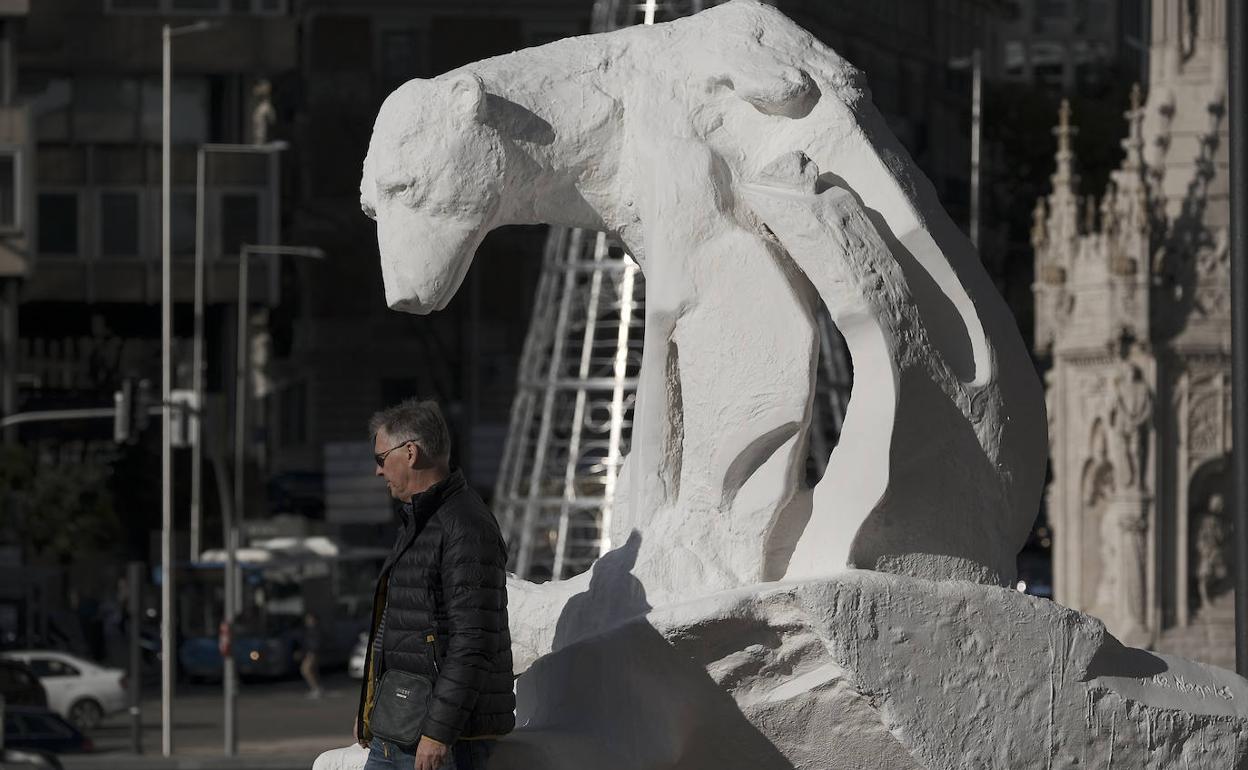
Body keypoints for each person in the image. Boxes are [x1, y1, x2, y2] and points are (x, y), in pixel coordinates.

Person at [354, 399, 514, 770]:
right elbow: (398, 631)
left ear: (410, 452)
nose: (378, 472)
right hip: (398, 731)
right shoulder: (421, 520)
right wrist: (372, 712)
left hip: (441, 742)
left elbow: (473, 640)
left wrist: (439, 733)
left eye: (381, 459)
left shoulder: (465, 525)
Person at [301, 612, 323, 699]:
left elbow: (316, 642)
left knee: (305, 670)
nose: (308, 620)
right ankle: (317, 688)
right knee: (313, 670)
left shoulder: (315, 630)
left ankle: (316, 689)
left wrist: (312, 652)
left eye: (309, 619)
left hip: (312, 653)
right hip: (309, 653)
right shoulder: (309, 629)